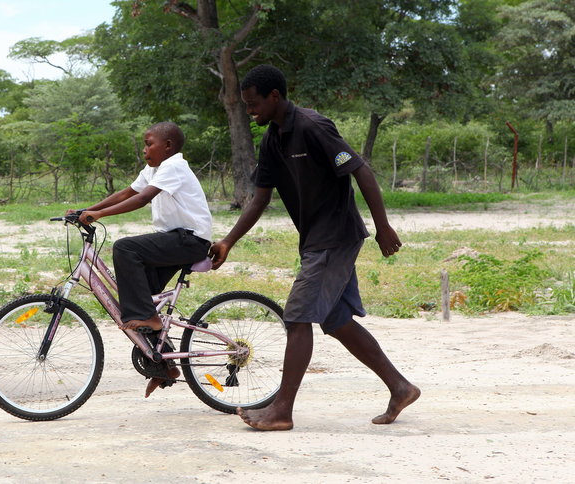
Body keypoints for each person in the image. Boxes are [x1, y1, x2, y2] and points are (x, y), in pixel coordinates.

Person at [209, 64, 420, 431]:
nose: (250, 110)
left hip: (335, 236)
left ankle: (282, 410)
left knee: (297, 316)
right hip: (314, 240)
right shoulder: (271, 140)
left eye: (254, 103)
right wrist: (229, 240)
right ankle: (400, 387)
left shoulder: (312, 126)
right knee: (335, 320)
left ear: (275, 96)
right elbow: (259, 199)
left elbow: (361, 170)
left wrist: (382, 226)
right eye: (246, 104)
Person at [75, 121, 213, 397]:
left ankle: (148, 318)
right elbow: (128, 192)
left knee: (125, 249)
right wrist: (88, 209)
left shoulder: (173, 166)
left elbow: (142, 199)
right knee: (137, 295)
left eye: (149, 143)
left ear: (168, 146)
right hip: (174, 239)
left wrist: (100, 215)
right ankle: (164, 364)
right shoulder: (154, 168)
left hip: (189, 240)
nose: (145, 149)